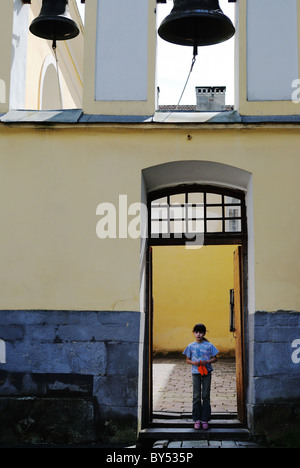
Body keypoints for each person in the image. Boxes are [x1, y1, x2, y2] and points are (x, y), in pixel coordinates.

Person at [183, 323, 218, 430]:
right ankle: (197, 419)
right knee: (196, 396)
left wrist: (207, 361)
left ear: (204, 333)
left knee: (206, 395)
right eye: (196, 332)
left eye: (201, 332)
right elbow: (187, 360)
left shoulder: (209, 345)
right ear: (193, 333)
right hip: (195, 373)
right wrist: (194, 363)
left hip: (207, 372)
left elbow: (215, 358)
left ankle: (205, 419)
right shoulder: (190, 346)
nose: (198, 334)